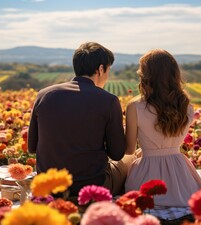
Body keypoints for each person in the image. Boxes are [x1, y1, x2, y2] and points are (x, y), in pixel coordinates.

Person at [28, 42, 134, 196]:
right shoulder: (107, 101)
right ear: (100, 69)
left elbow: (32, 147)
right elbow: (117, 154)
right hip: (91, 188)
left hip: (49, 186)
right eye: (108, 70)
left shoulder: (44, 95)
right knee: (130, 159)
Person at [124, 49, 201, 206]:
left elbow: (129, 150)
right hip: (181, 175)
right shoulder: (186, 105)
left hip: (146, 177)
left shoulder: (135, 106)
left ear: (147, 76)